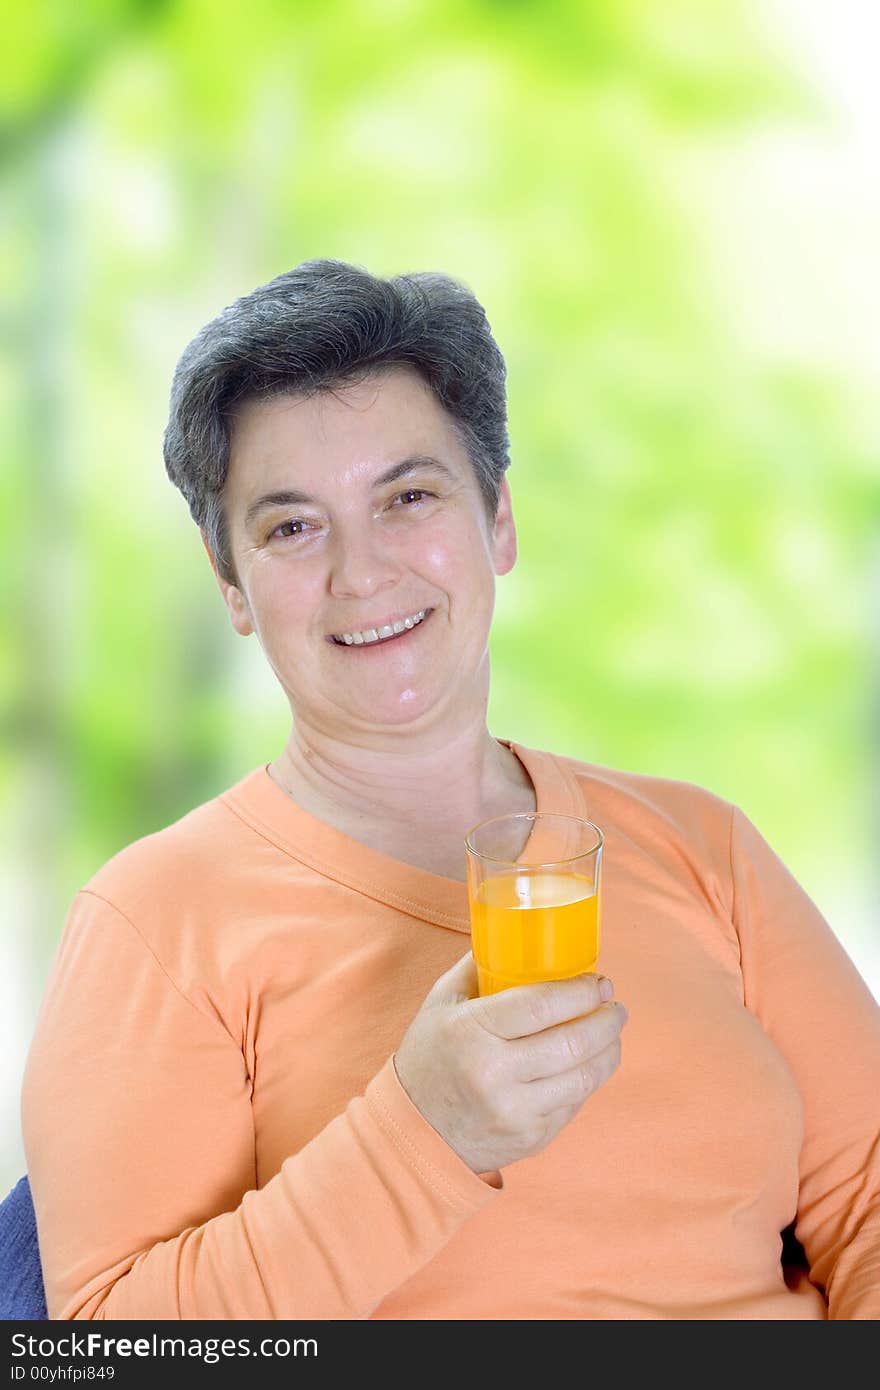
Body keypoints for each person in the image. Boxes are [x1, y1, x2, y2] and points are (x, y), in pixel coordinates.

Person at [21, 259, 880, 1321]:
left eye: (408, 497)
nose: (362, 571)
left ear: (499, 521)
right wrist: (424, 1133)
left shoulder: (702, 844)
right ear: (230, 585)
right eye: (291, 526)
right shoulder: (155, 920)